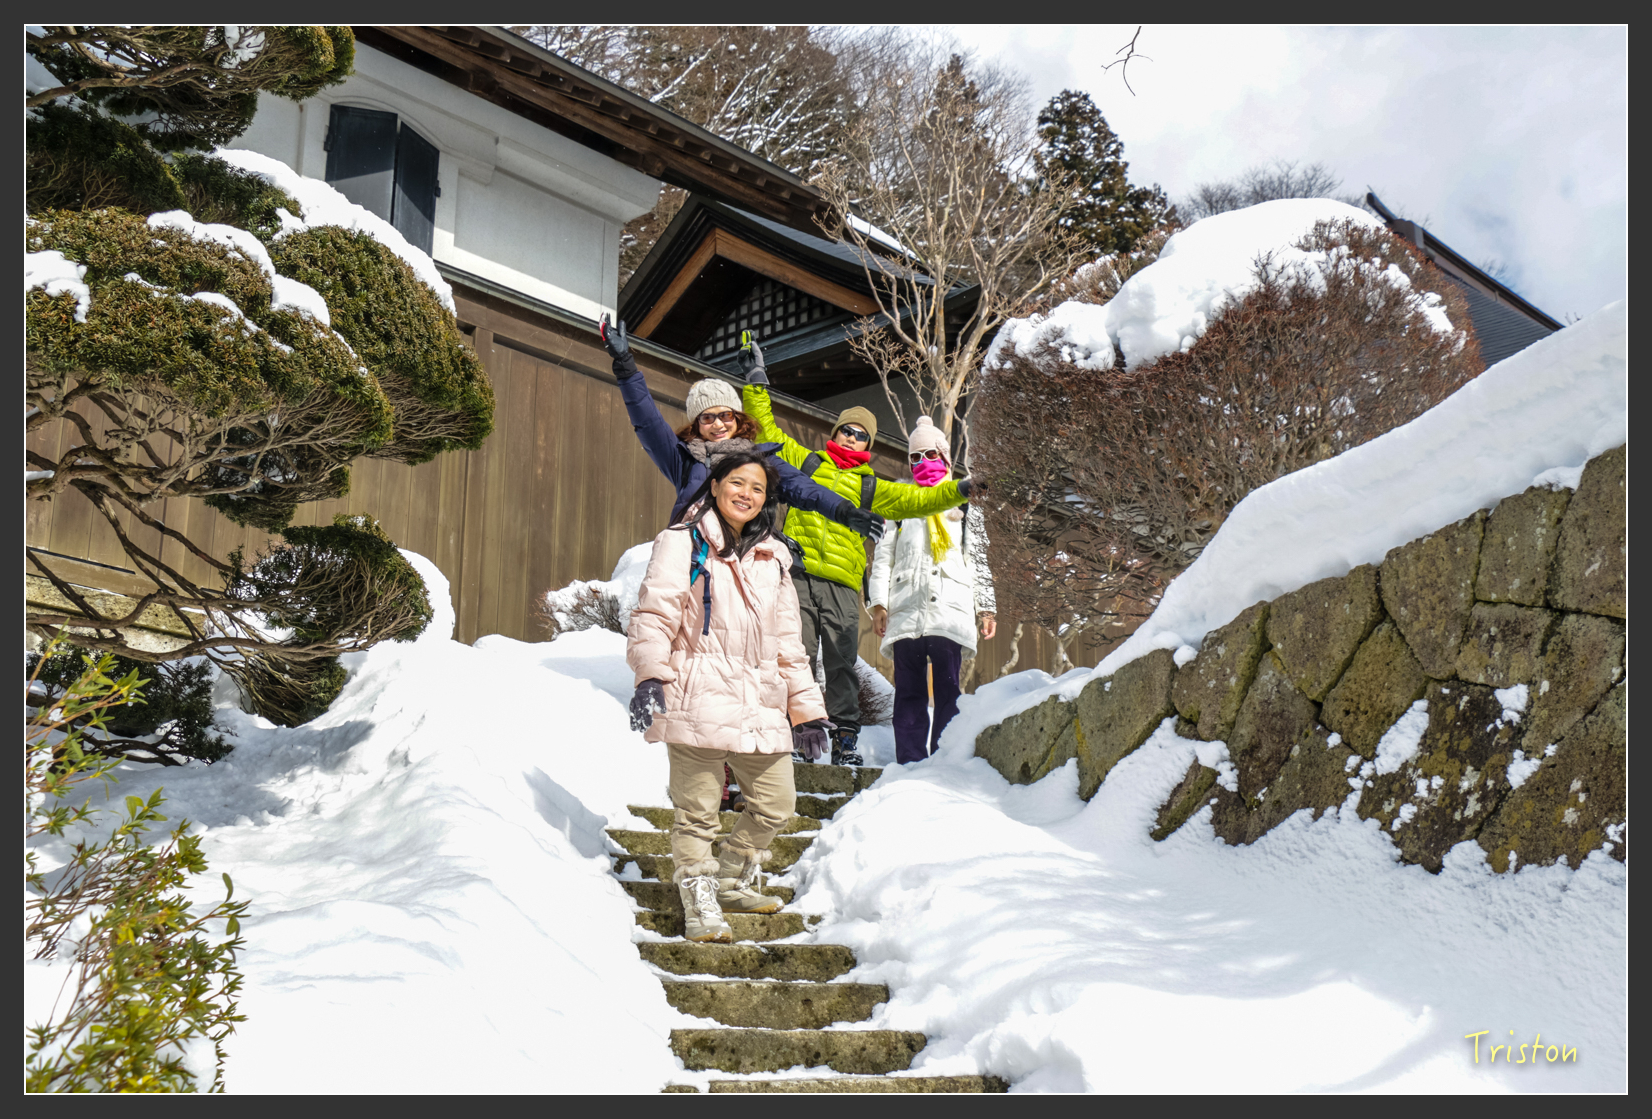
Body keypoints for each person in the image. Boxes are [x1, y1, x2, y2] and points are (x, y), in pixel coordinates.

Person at [738, 338, 979, 766]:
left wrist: (957, 490)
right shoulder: (806, 462)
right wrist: (756, 381)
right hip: (798, 574)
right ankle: (795, 734)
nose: (851, 437)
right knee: (794, 656)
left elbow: (916, 502)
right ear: (835, 433)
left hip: (846, 586)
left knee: (842, 664)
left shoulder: (873, 486)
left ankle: (846, 740)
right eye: (846, 430)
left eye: (861, 435)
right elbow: (767, 432)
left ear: (868, 444)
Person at [626, 450, 833, 943]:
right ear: (715, 486)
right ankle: (699, 899)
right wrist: (649, 676)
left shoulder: (774, 557)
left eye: (758, 488)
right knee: (697, 812)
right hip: (695, 691)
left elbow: (788, 643)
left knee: (778, 804)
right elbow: (655, 615)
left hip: (759, 701)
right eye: (737, 483)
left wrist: (805, 711)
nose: (747, 494)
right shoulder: (682, 542)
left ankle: (730, 878)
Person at [600, 315, 884, 537]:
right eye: (707, 418)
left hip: (748, 555)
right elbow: (648, 422)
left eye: (726, 415)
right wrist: (625, 365)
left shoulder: (761, 461)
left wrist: (844, 511)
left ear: (737, 419)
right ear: (697, 426)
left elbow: (804, 488)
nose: (718, 424)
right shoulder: (684, 460)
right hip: (696, 552)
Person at [867, 416, 997, 765]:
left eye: (930, 454)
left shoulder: (966, 505)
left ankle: (944, 761)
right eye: (915, 457)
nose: (923, 462)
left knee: (947, 690)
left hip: (950, 609)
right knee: (908, 691)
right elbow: (883, 557)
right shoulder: (899, 502)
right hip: (906, 605)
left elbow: (979, 559)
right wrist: (878, 603)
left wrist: (986, 608)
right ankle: (909, 761)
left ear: (944, 455)